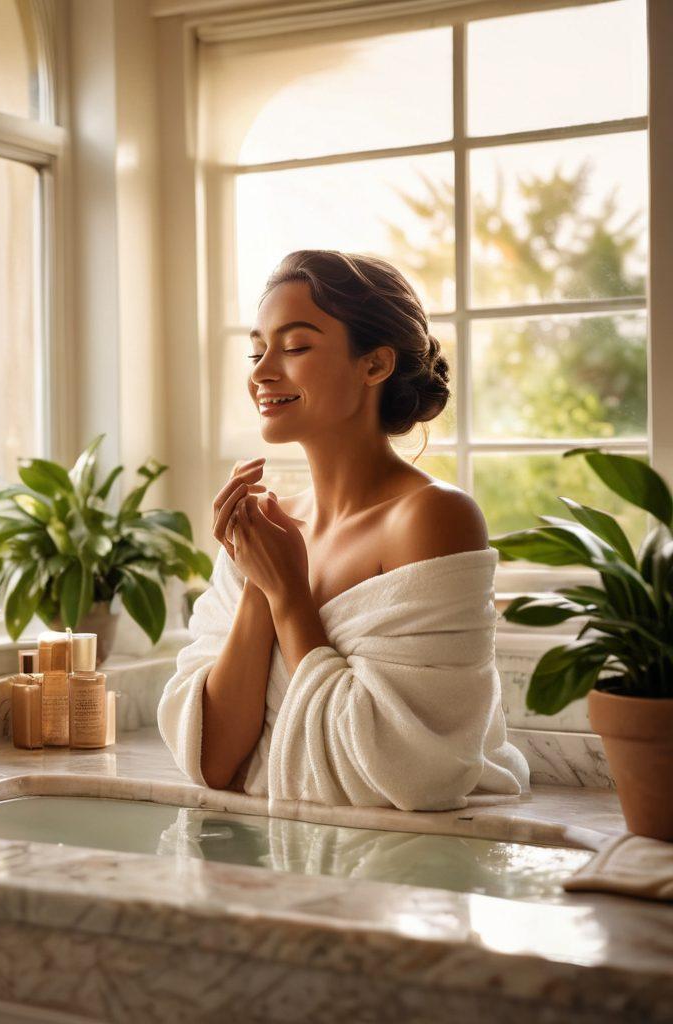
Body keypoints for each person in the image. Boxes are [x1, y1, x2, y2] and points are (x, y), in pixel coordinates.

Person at [157, 250, 529, 811]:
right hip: (272, 861)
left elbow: (409, 770)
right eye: (257, 350)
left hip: (412, 869)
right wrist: (260, 582)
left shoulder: (431, 518)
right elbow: (212, 759)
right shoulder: (268, 530)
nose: (260, 372)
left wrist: (287, 592)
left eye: (296, 346)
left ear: (375, 365)